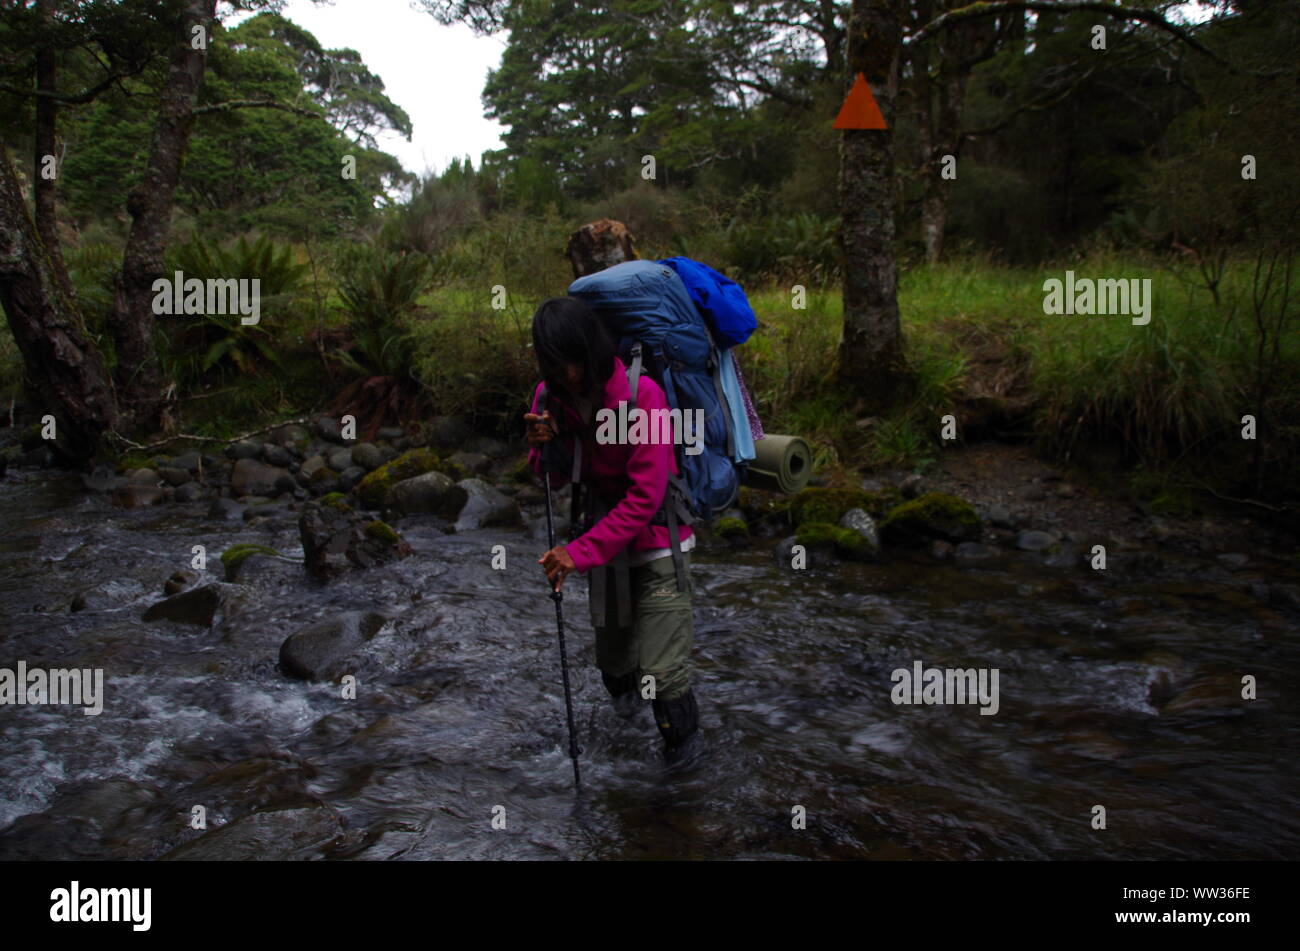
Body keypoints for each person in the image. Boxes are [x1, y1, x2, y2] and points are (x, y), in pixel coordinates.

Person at [523, 296, 702, 762]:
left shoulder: (644, 396)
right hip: (604, 544)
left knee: (663, 675)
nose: (570, 374)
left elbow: (645, 498)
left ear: (592, 347)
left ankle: (682, 779)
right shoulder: (548, 397)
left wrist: (576, 554)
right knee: (615, 665)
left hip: (660, 545)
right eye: (557, 363)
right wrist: (543, 444)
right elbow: (554, 476)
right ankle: (624, 751)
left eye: (575, 361)